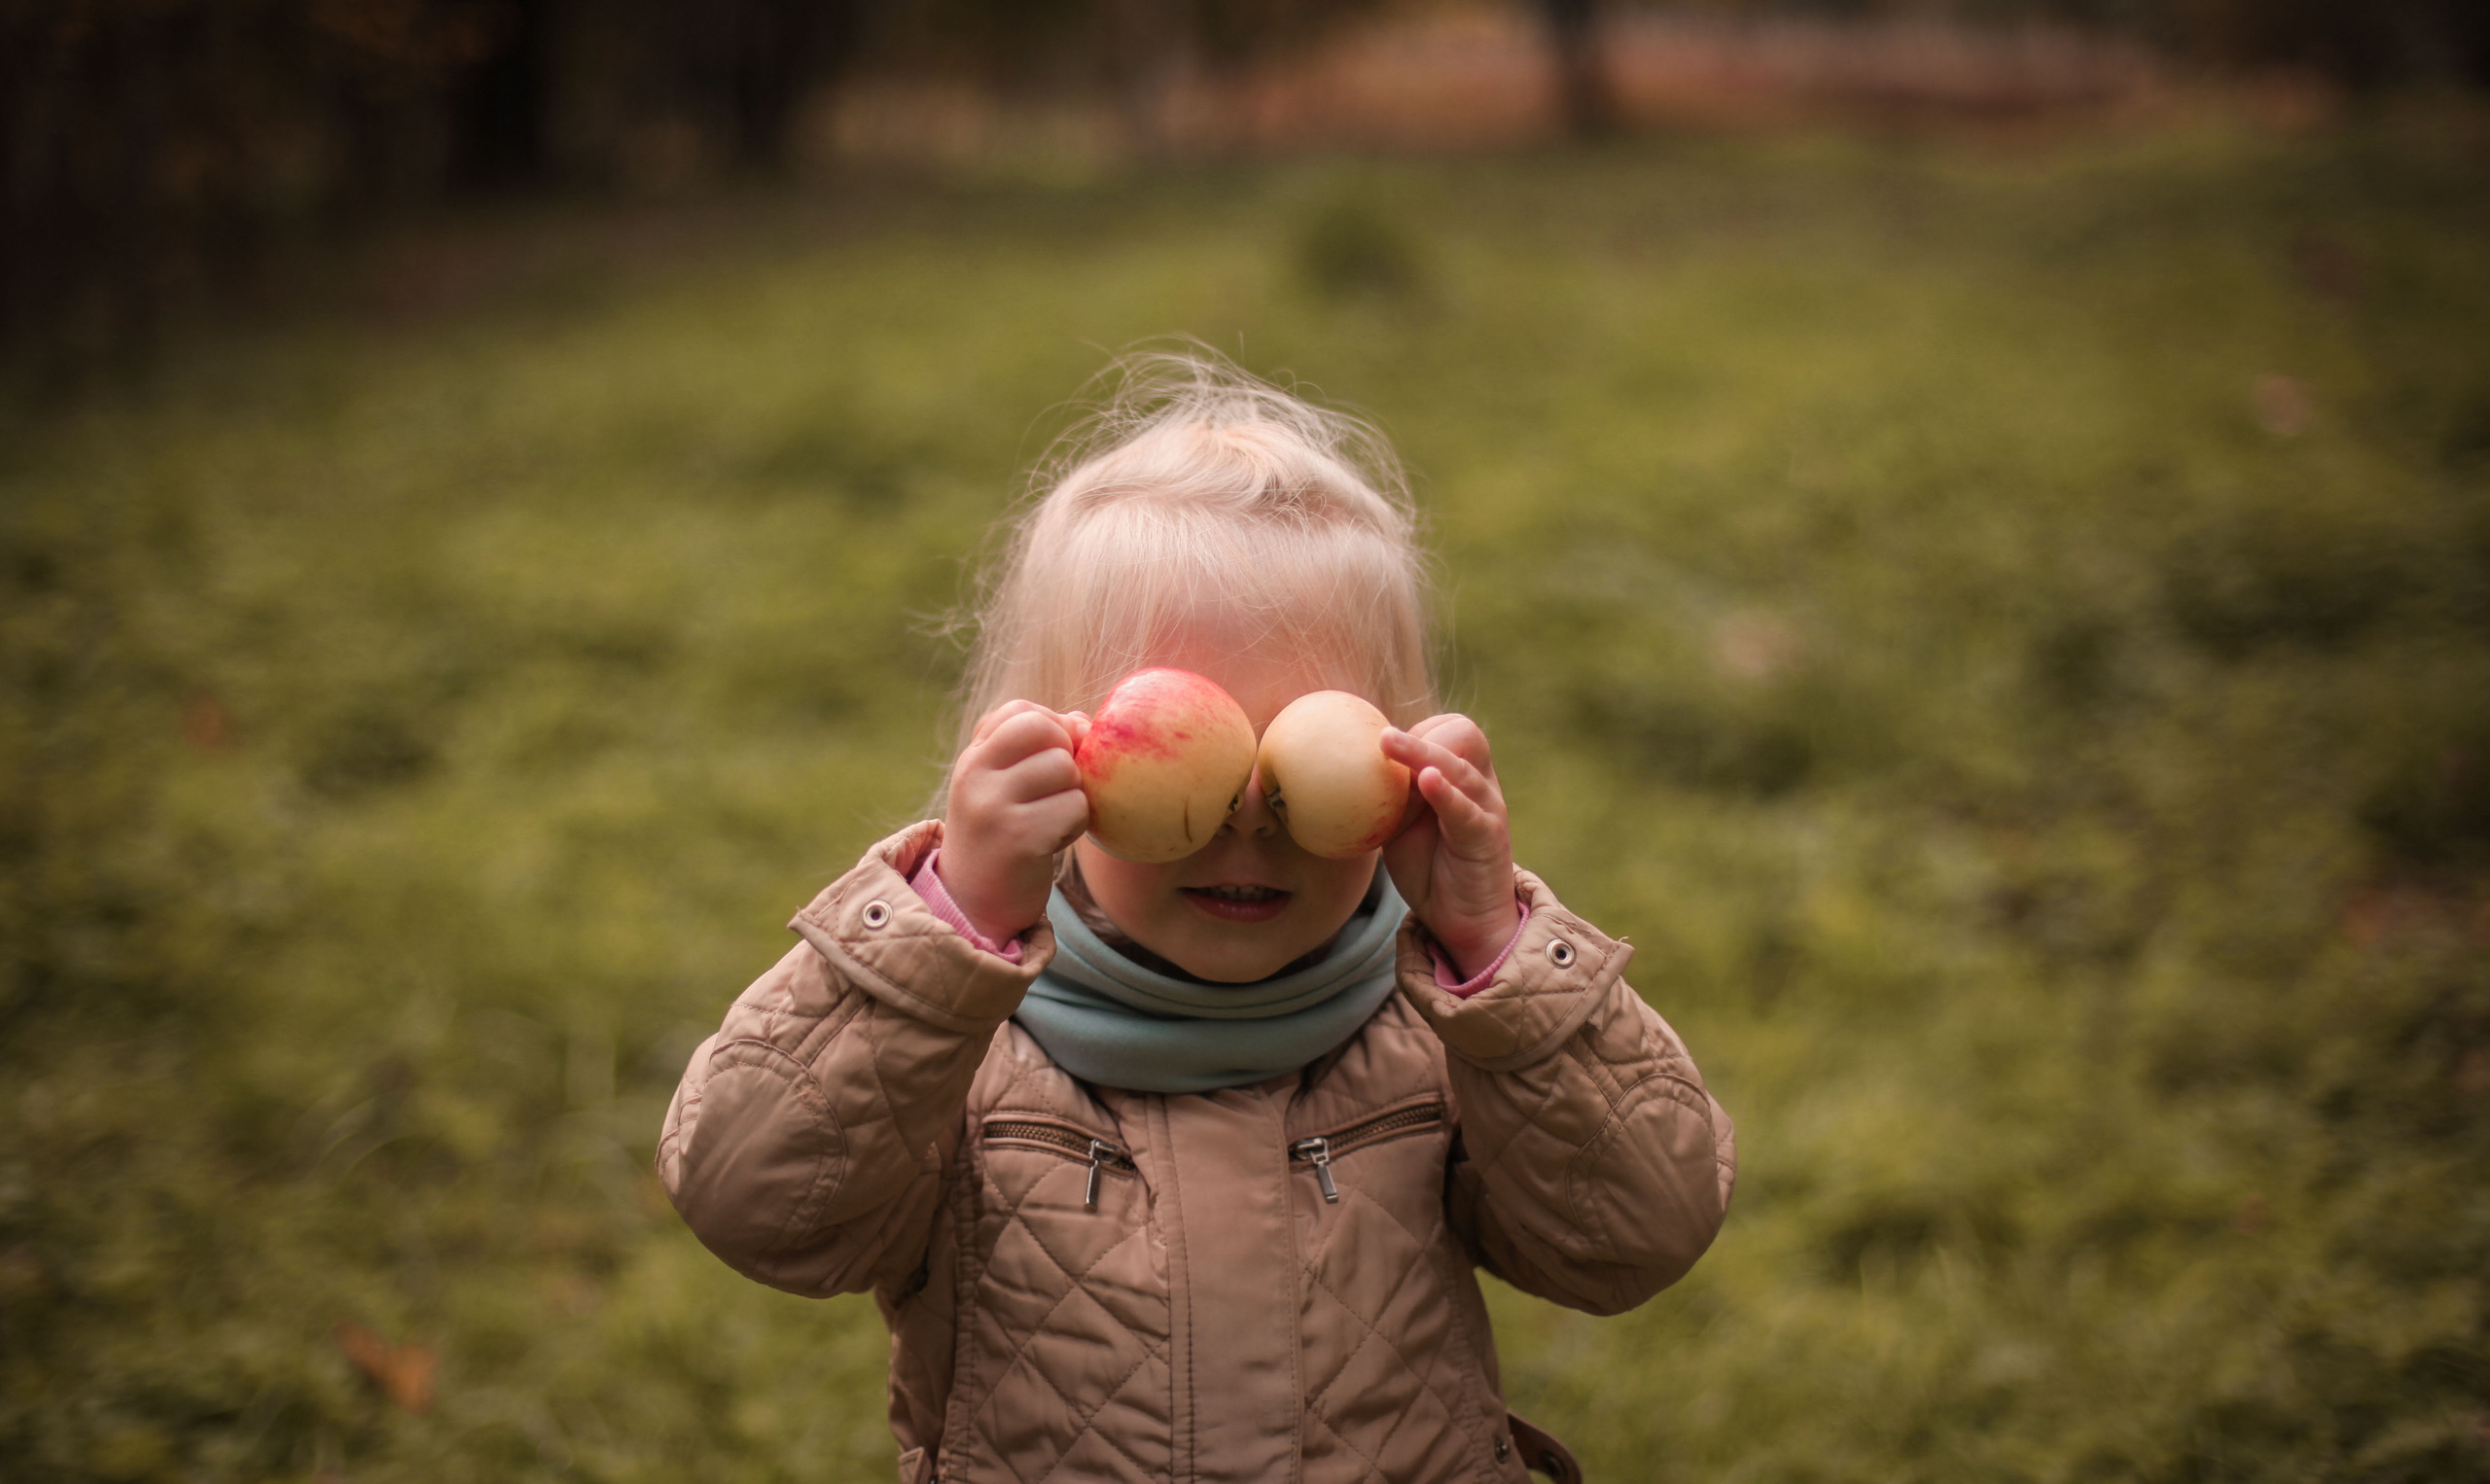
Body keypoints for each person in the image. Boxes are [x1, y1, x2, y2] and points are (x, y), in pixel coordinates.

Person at [658, 348, 1735, 1484]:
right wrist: (939, 937)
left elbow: (1636, 1235)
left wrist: (1495, 950)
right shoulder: (962, 1044)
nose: (1246, 818)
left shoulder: (1442, 1032)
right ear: (1050, 776)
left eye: (1296, 757)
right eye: (1198, 757)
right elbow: (758, 1205)